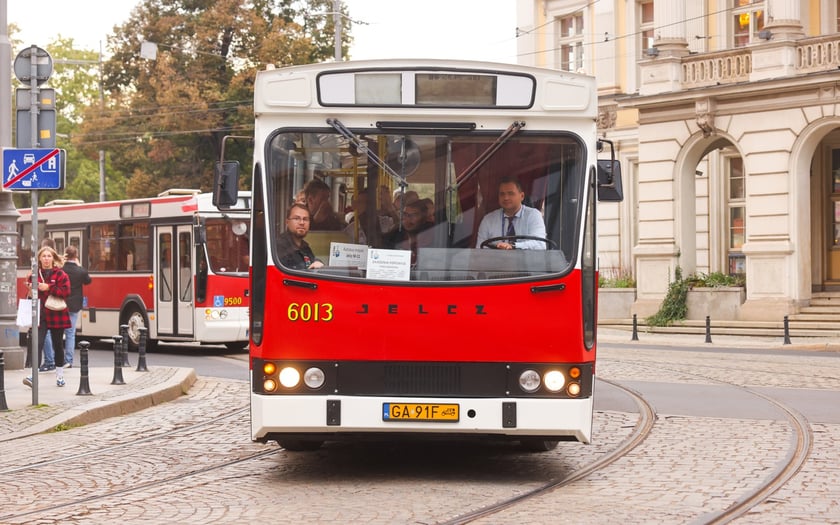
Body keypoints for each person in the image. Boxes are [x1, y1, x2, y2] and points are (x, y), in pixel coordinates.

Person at [23, 246, 72, 388]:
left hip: (57, 313)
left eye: (49, 256)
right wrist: (29, 289)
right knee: (37, 343)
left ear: (53, 258)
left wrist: (49, 288)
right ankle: (34, 375)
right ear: (39, 258)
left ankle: (60, 375)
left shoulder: (61, 274)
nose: (46, 259)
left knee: (58, 345)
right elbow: (29, 296)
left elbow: (66, 292)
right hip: (40, 313)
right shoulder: (33, 274)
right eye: (43, 256)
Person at [476, 176, 547, 250]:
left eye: (510, 193)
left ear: (522, 196)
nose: (506, 198)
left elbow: (540, 245)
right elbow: (479, 250)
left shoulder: (533, 215)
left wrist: (513, 246)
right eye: (502, 194)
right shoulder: (488, 220)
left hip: (526, 261)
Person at [62, 245, 92, 368]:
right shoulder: (80, 271)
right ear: (76, 256)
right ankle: (68, 360)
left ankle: (55, 358)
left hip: (61, 304)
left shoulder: (61, 269)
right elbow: (88, 281)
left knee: (57, 332)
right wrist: (79, 266)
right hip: (74, 305)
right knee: (70, 333)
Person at [277, 203, 325, 270]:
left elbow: (313, 261)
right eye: (296, 218)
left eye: (305, 219)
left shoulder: (305, 247)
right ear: (287, 222)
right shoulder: (279, 246)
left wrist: (318, 262)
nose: (302, 223)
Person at [386, 200, 434, 266]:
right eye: (405, 214)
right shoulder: (394, 237)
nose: (407, 219)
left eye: (413, 215)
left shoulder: (433, 237)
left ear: (424, 218)